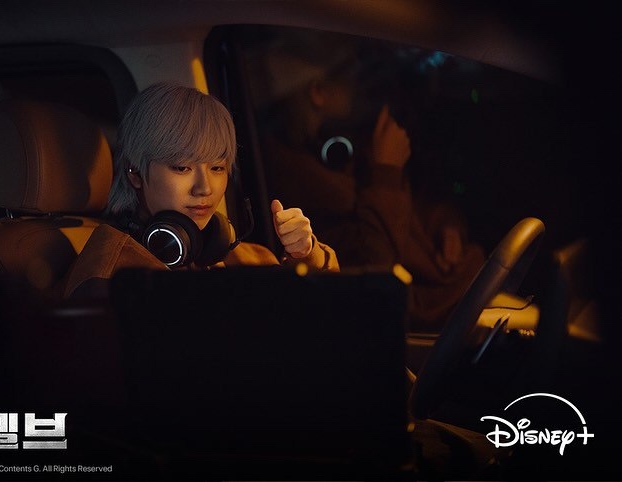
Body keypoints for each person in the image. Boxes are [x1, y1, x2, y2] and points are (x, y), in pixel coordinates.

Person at [255, 29, 485, 330]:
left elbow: (416, 209)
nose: (360, 89)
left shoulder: (335, 148)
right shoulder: (299, 181)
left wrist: (447, 223)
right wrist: (387, 171)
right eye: (352, 77)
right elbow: (375, 276)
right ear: (318, 92)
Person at [62, 81, 339, 299]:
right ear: (135, 172)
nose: (205, 188)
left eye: (217, 167)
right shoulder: (109, 280)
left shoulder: (232, 255)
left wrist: (306, 254)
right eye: (182, 167)